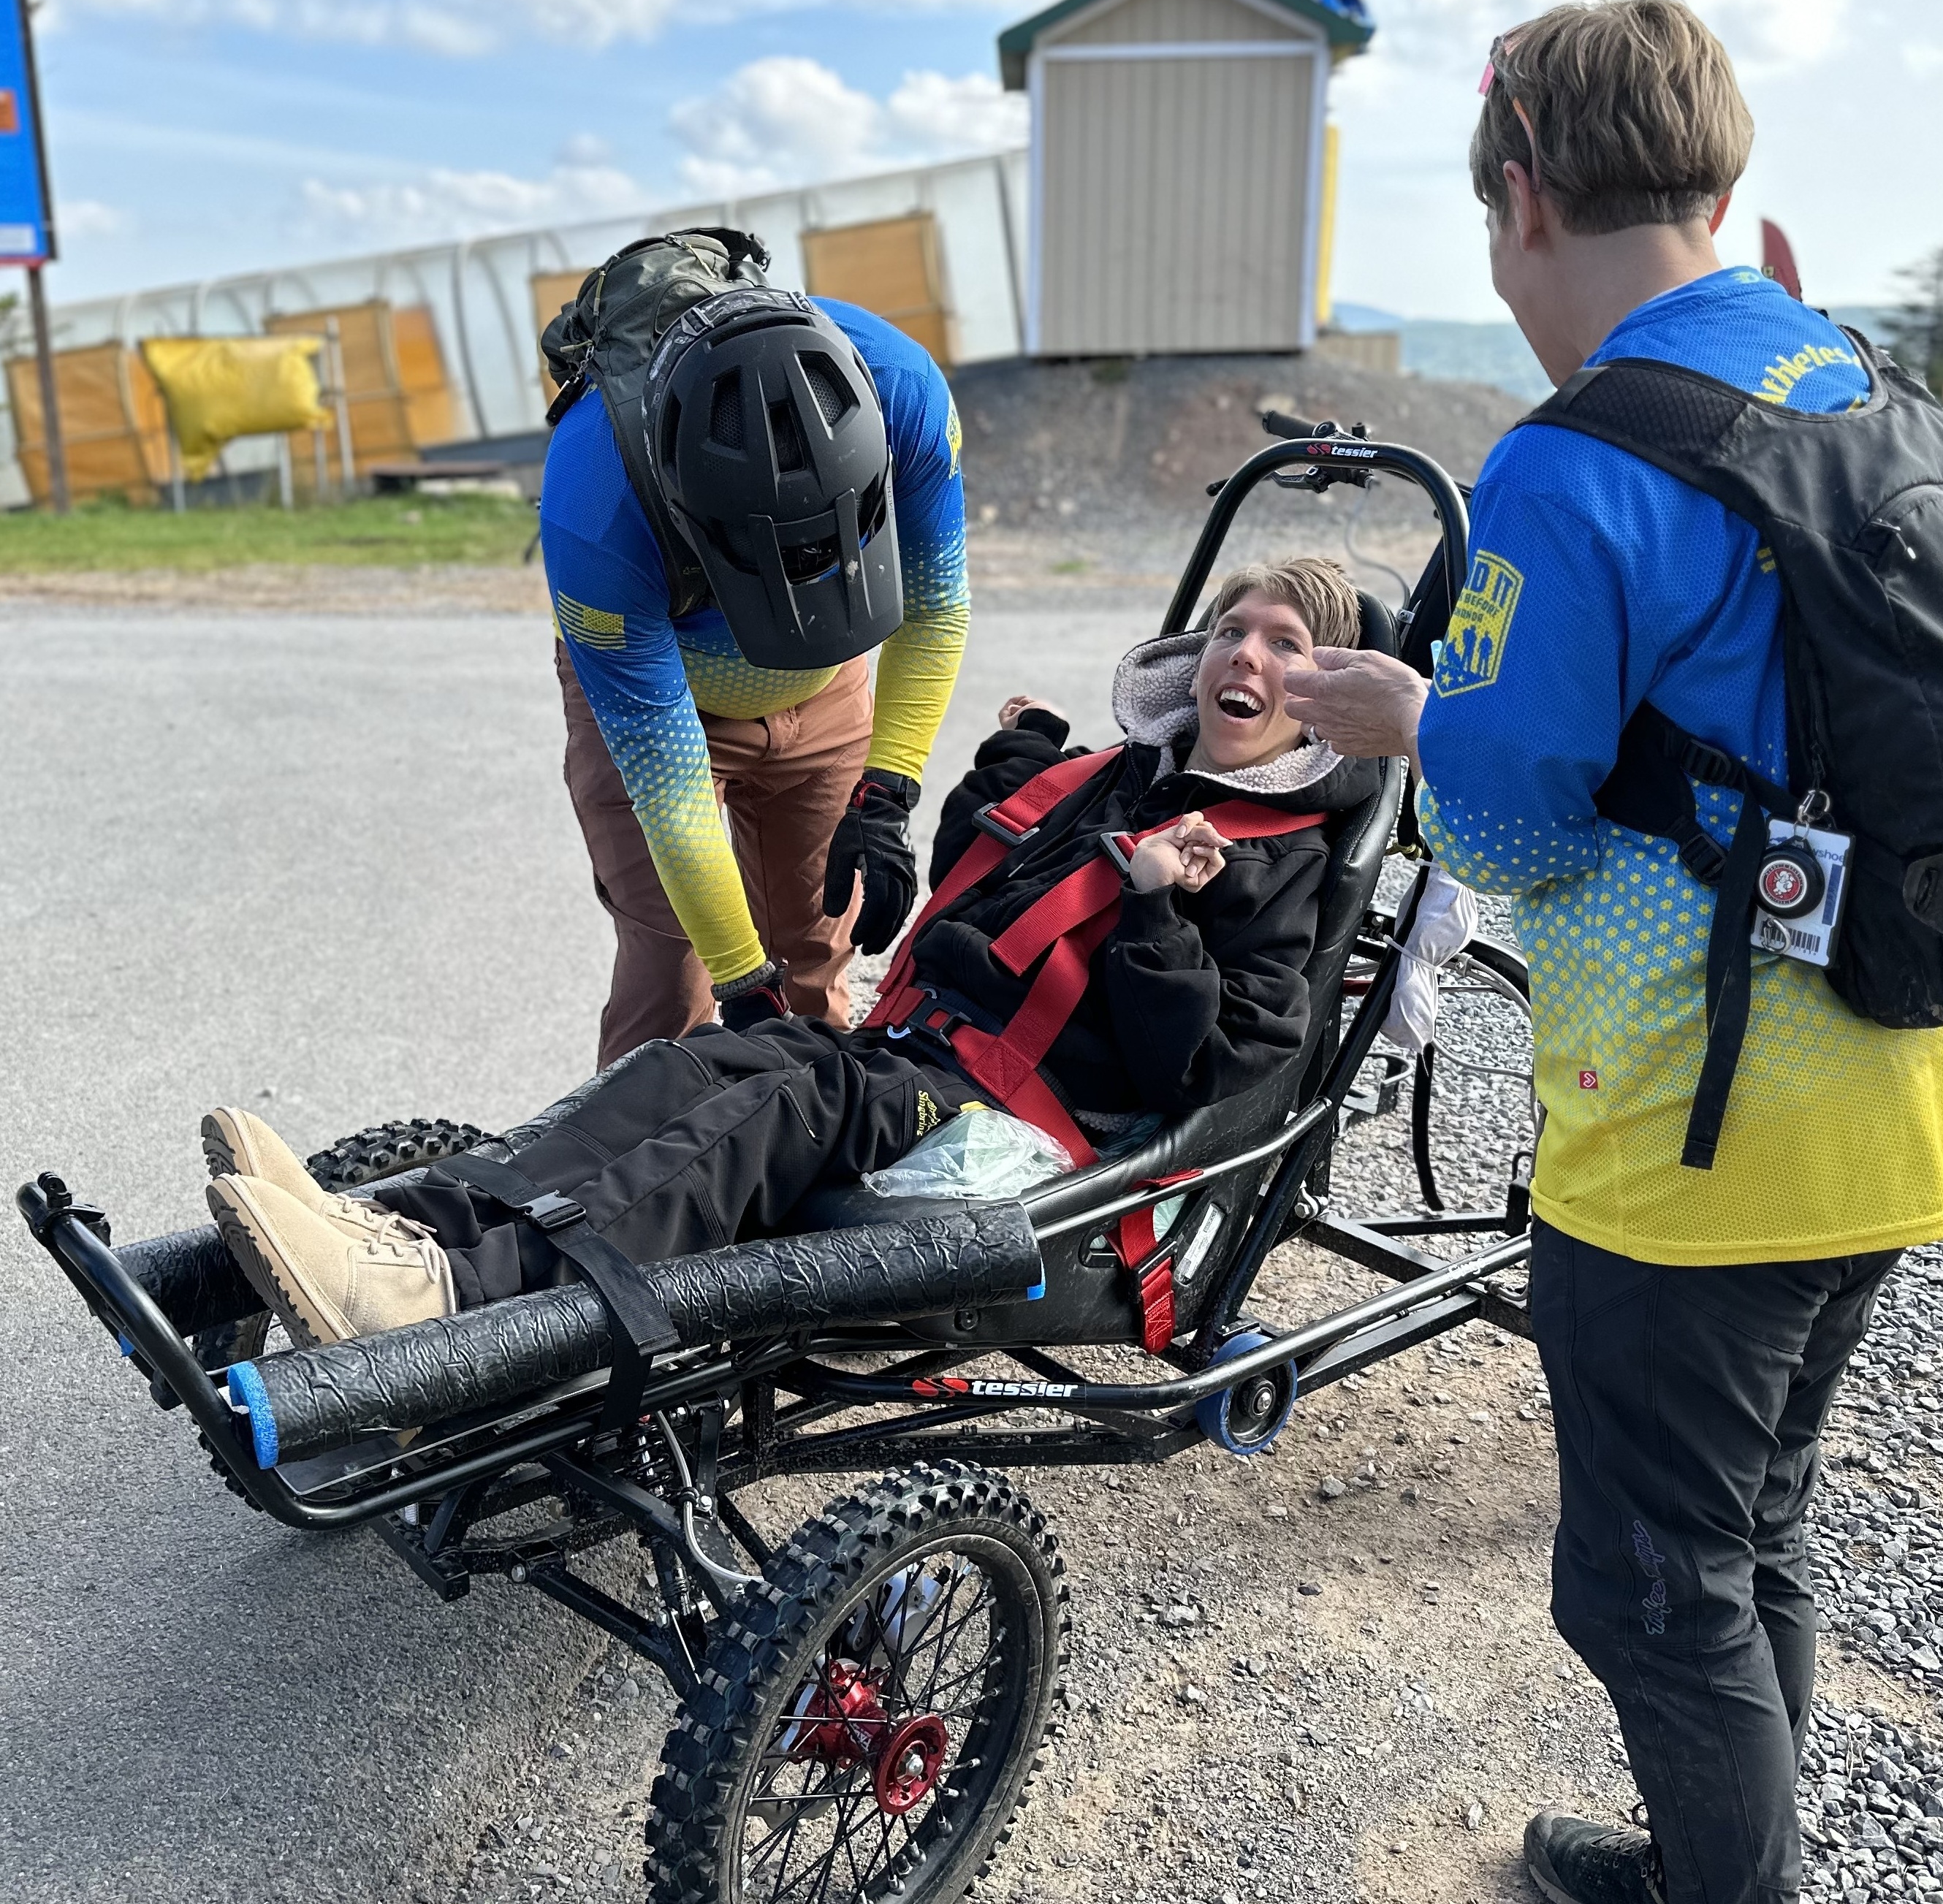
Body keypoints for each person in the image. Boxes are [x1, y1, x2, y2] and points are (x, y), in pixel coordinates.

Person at [1289, 0, 1943, 1904]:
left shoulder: (1573, 466)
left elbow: (1504, 830)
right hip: (1901, 1081)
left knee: (1648, 1585)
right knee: (1750, 1534)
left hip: (1696, 1139)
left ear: (1520, 196)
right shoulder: (1856, 385)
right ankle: (1712, 1871)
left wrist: (1411, 714)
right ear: (1724, 183)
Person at [197, 557, 1382, 1344]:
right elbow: (982, 900)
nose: (1246, 654)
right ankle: (416, 1225)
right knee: (705, 1058)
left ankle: (469, 1298)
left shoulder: (1271, 863)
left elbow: (1212, 1076)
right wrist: (1012, 776)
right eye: (1231, 629)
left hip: (1041, 1133)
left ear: (1327, 695)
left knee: (782, 1102)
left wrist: (1160, 915)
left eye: (1285, 644)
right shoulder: (1123, 783)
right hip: (925, 1057)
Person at [545, 279, 967, 1066]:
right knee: (674, 976)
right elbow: (671, 796)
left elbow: (936, 608)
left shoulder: (904, 396)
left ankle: (808, 1153)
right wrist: (742, 984)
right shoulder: (593, 505)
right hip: (672, 701)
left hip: (829, 688)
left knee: (816, 947)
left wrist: (886, 795)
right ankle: (620, 1165)